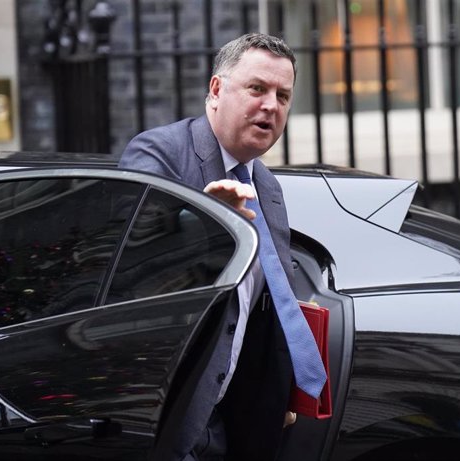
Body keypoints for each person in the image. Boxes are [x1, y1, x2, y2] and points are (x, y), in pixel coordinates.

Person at [119, 33, 324, 461]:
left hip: (226, 426)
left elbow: (269, 303)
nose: (271, 105)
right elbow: (129, 262)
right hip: (160, 418)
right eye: (257, 88)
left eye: (283, 95)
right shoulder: (159, 153)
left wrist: (284, 391)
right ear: (216, 90)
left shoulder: (265, 185)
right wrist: (206, 220)